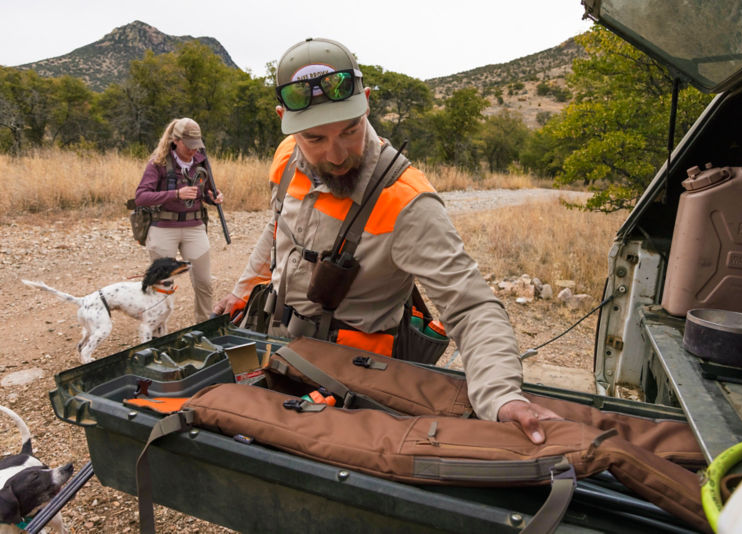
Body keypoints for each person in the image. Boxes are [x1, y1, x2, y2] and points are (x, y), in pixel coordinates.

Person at [213, 38, 558, 443]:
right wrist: (242, 292)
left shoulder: (406, 200)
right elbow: (275, 230)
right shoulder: (288, 156)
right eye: (316, 139)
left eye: (349, 130)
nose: (337, 154)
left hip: (349, 383)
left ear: (368, 103)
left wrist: (502, 396)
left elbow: (470, 306)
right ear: (284, 120)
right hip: (277, 345)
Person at [136, 117, 224, 323]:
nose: (194, 150)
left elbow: (206, 192)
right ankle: (157, 329)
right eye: (189, 145)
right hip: (163, 228)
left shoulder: (201, 162)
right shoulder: (157, 163)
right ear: (175, 140)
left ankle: (204, 327)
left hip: (194, 227)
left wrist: (214, 197)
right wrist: (176, 194)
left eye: (197, 145)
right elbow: (141, 197)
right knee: (162, 284)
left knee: (204, 282)